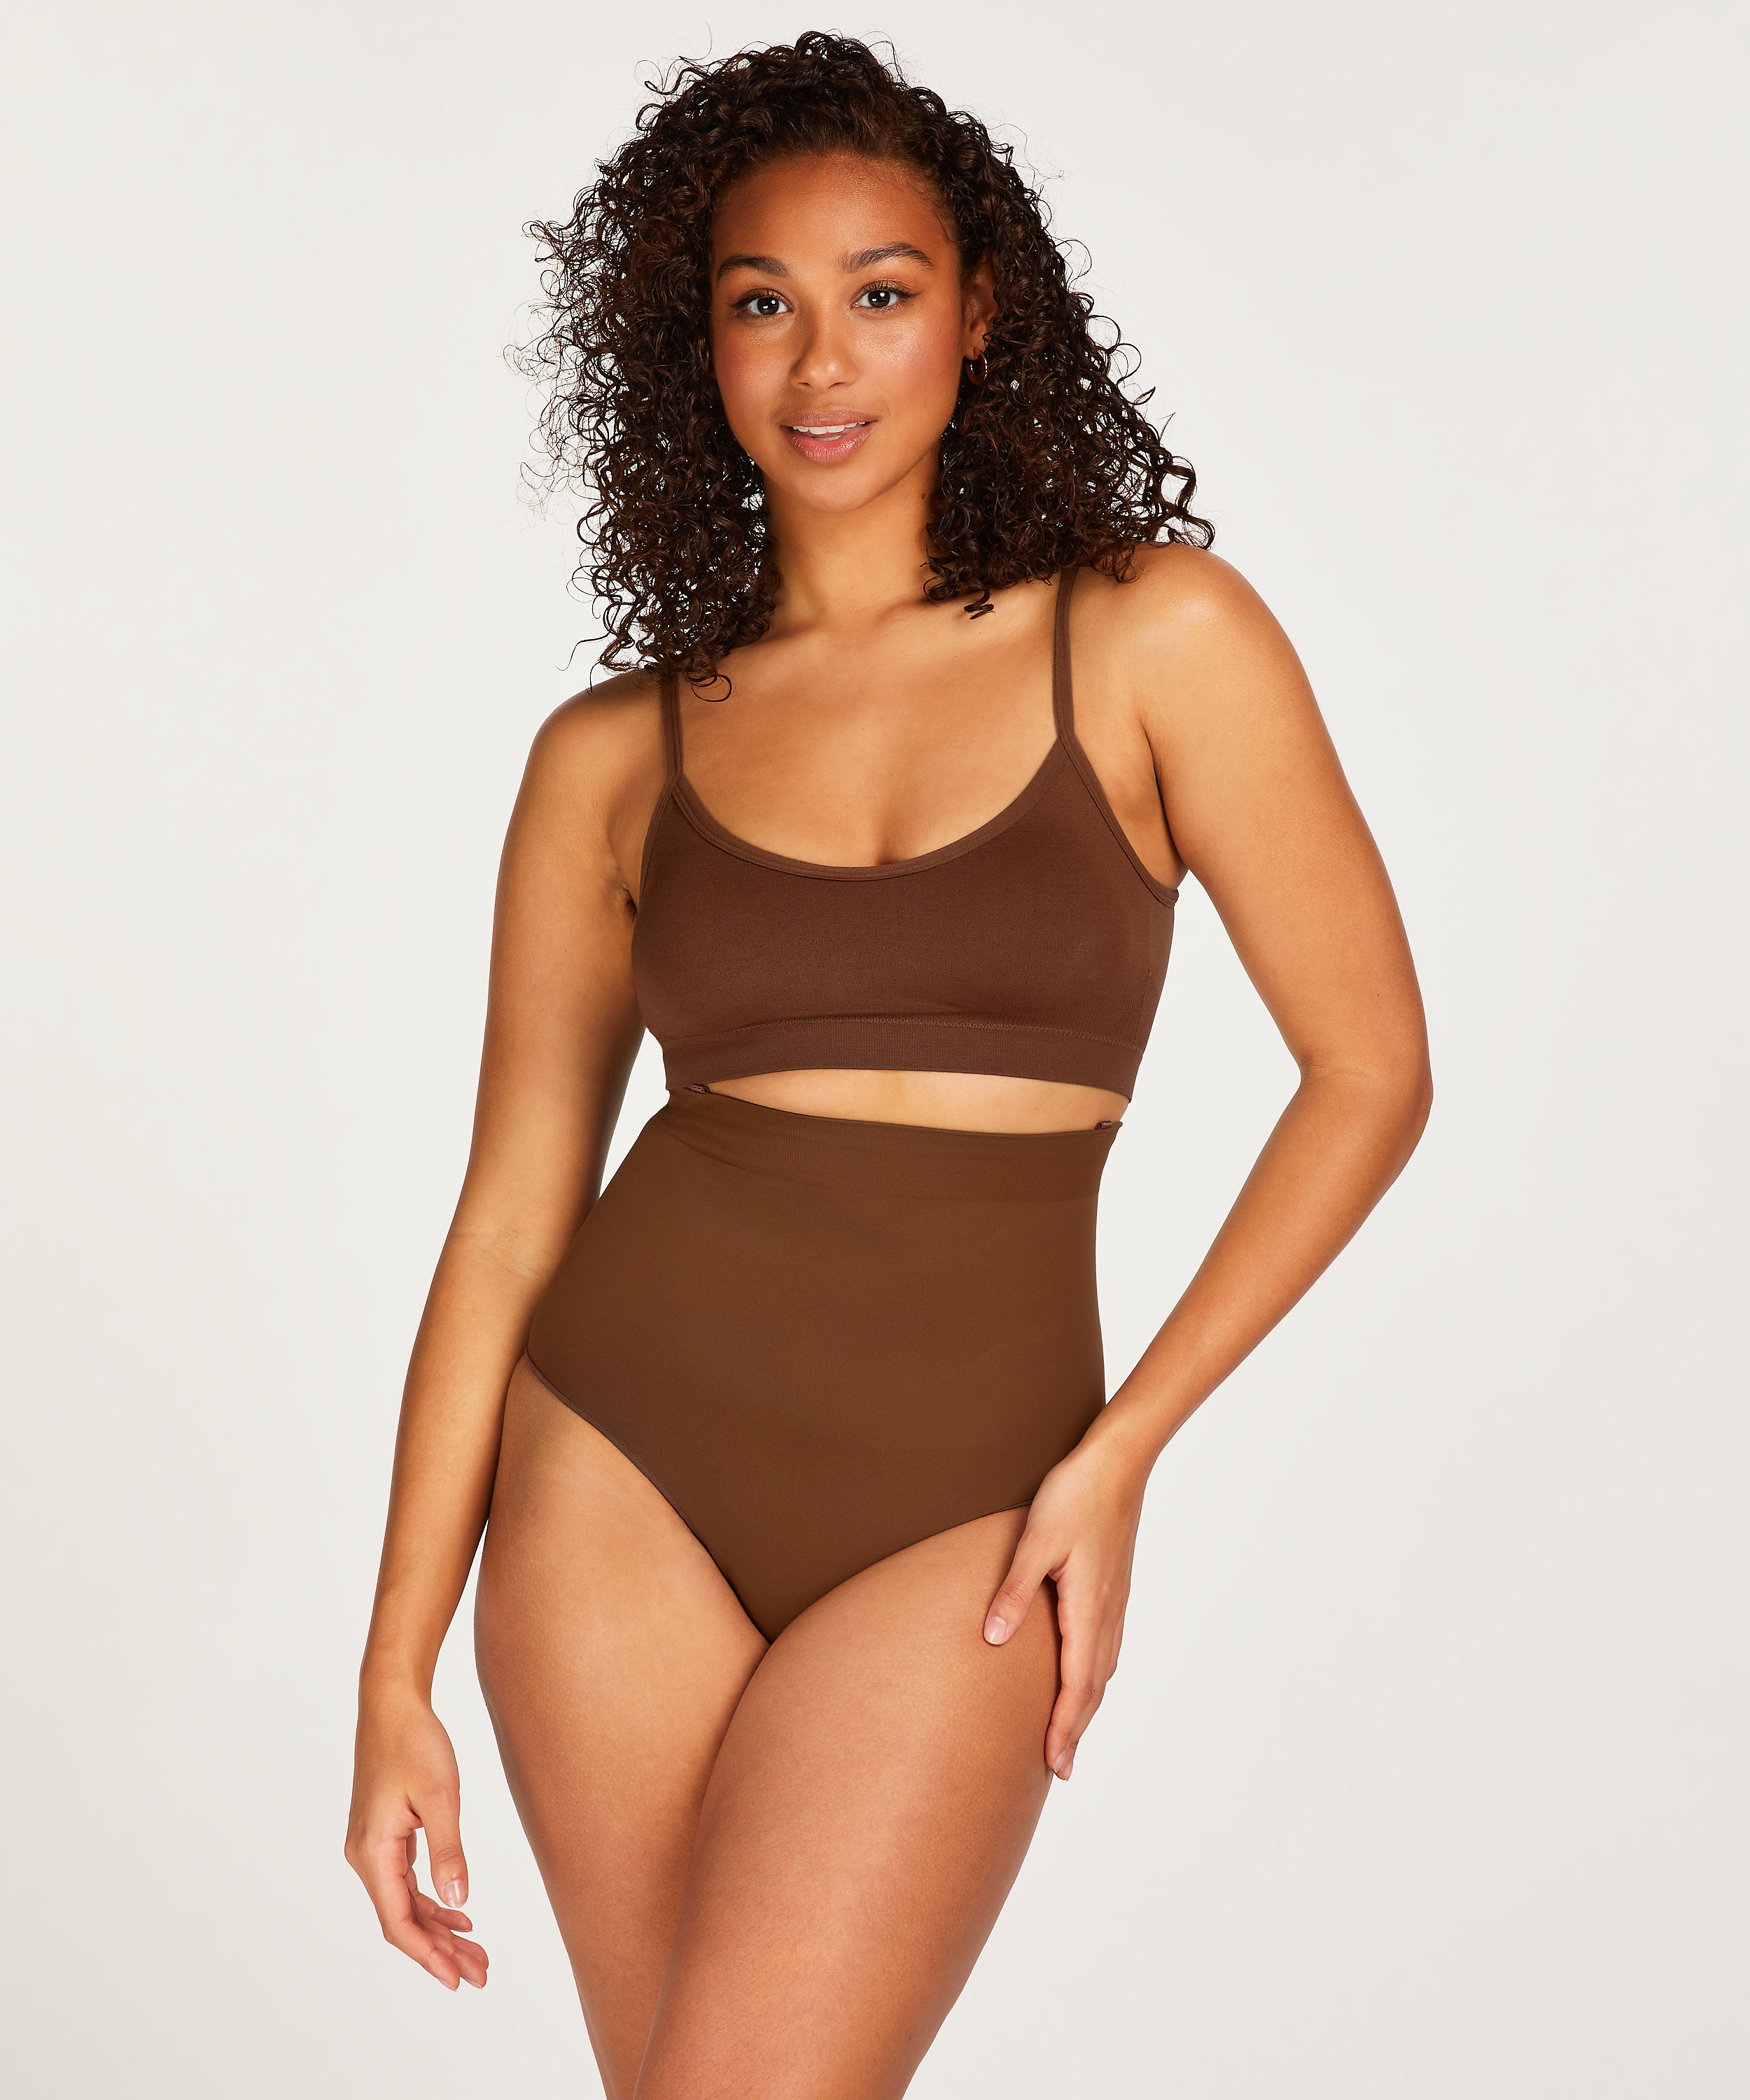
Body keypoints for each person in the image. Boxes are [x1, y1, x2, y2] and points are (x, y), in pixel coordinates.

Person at [344, 31, 1432, 2099]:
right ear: (697, 344)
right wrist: (394, 1667)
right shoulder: (609, 754)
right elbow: (506, 1220)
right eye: (762, 301)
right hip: (618, 1469)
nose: (821, 360)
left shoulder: (1154, 638)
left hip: (975, 1497)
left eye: (881, 292)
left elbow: (1369, 1069)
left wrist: (1120, 1453)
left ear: (979, 310)